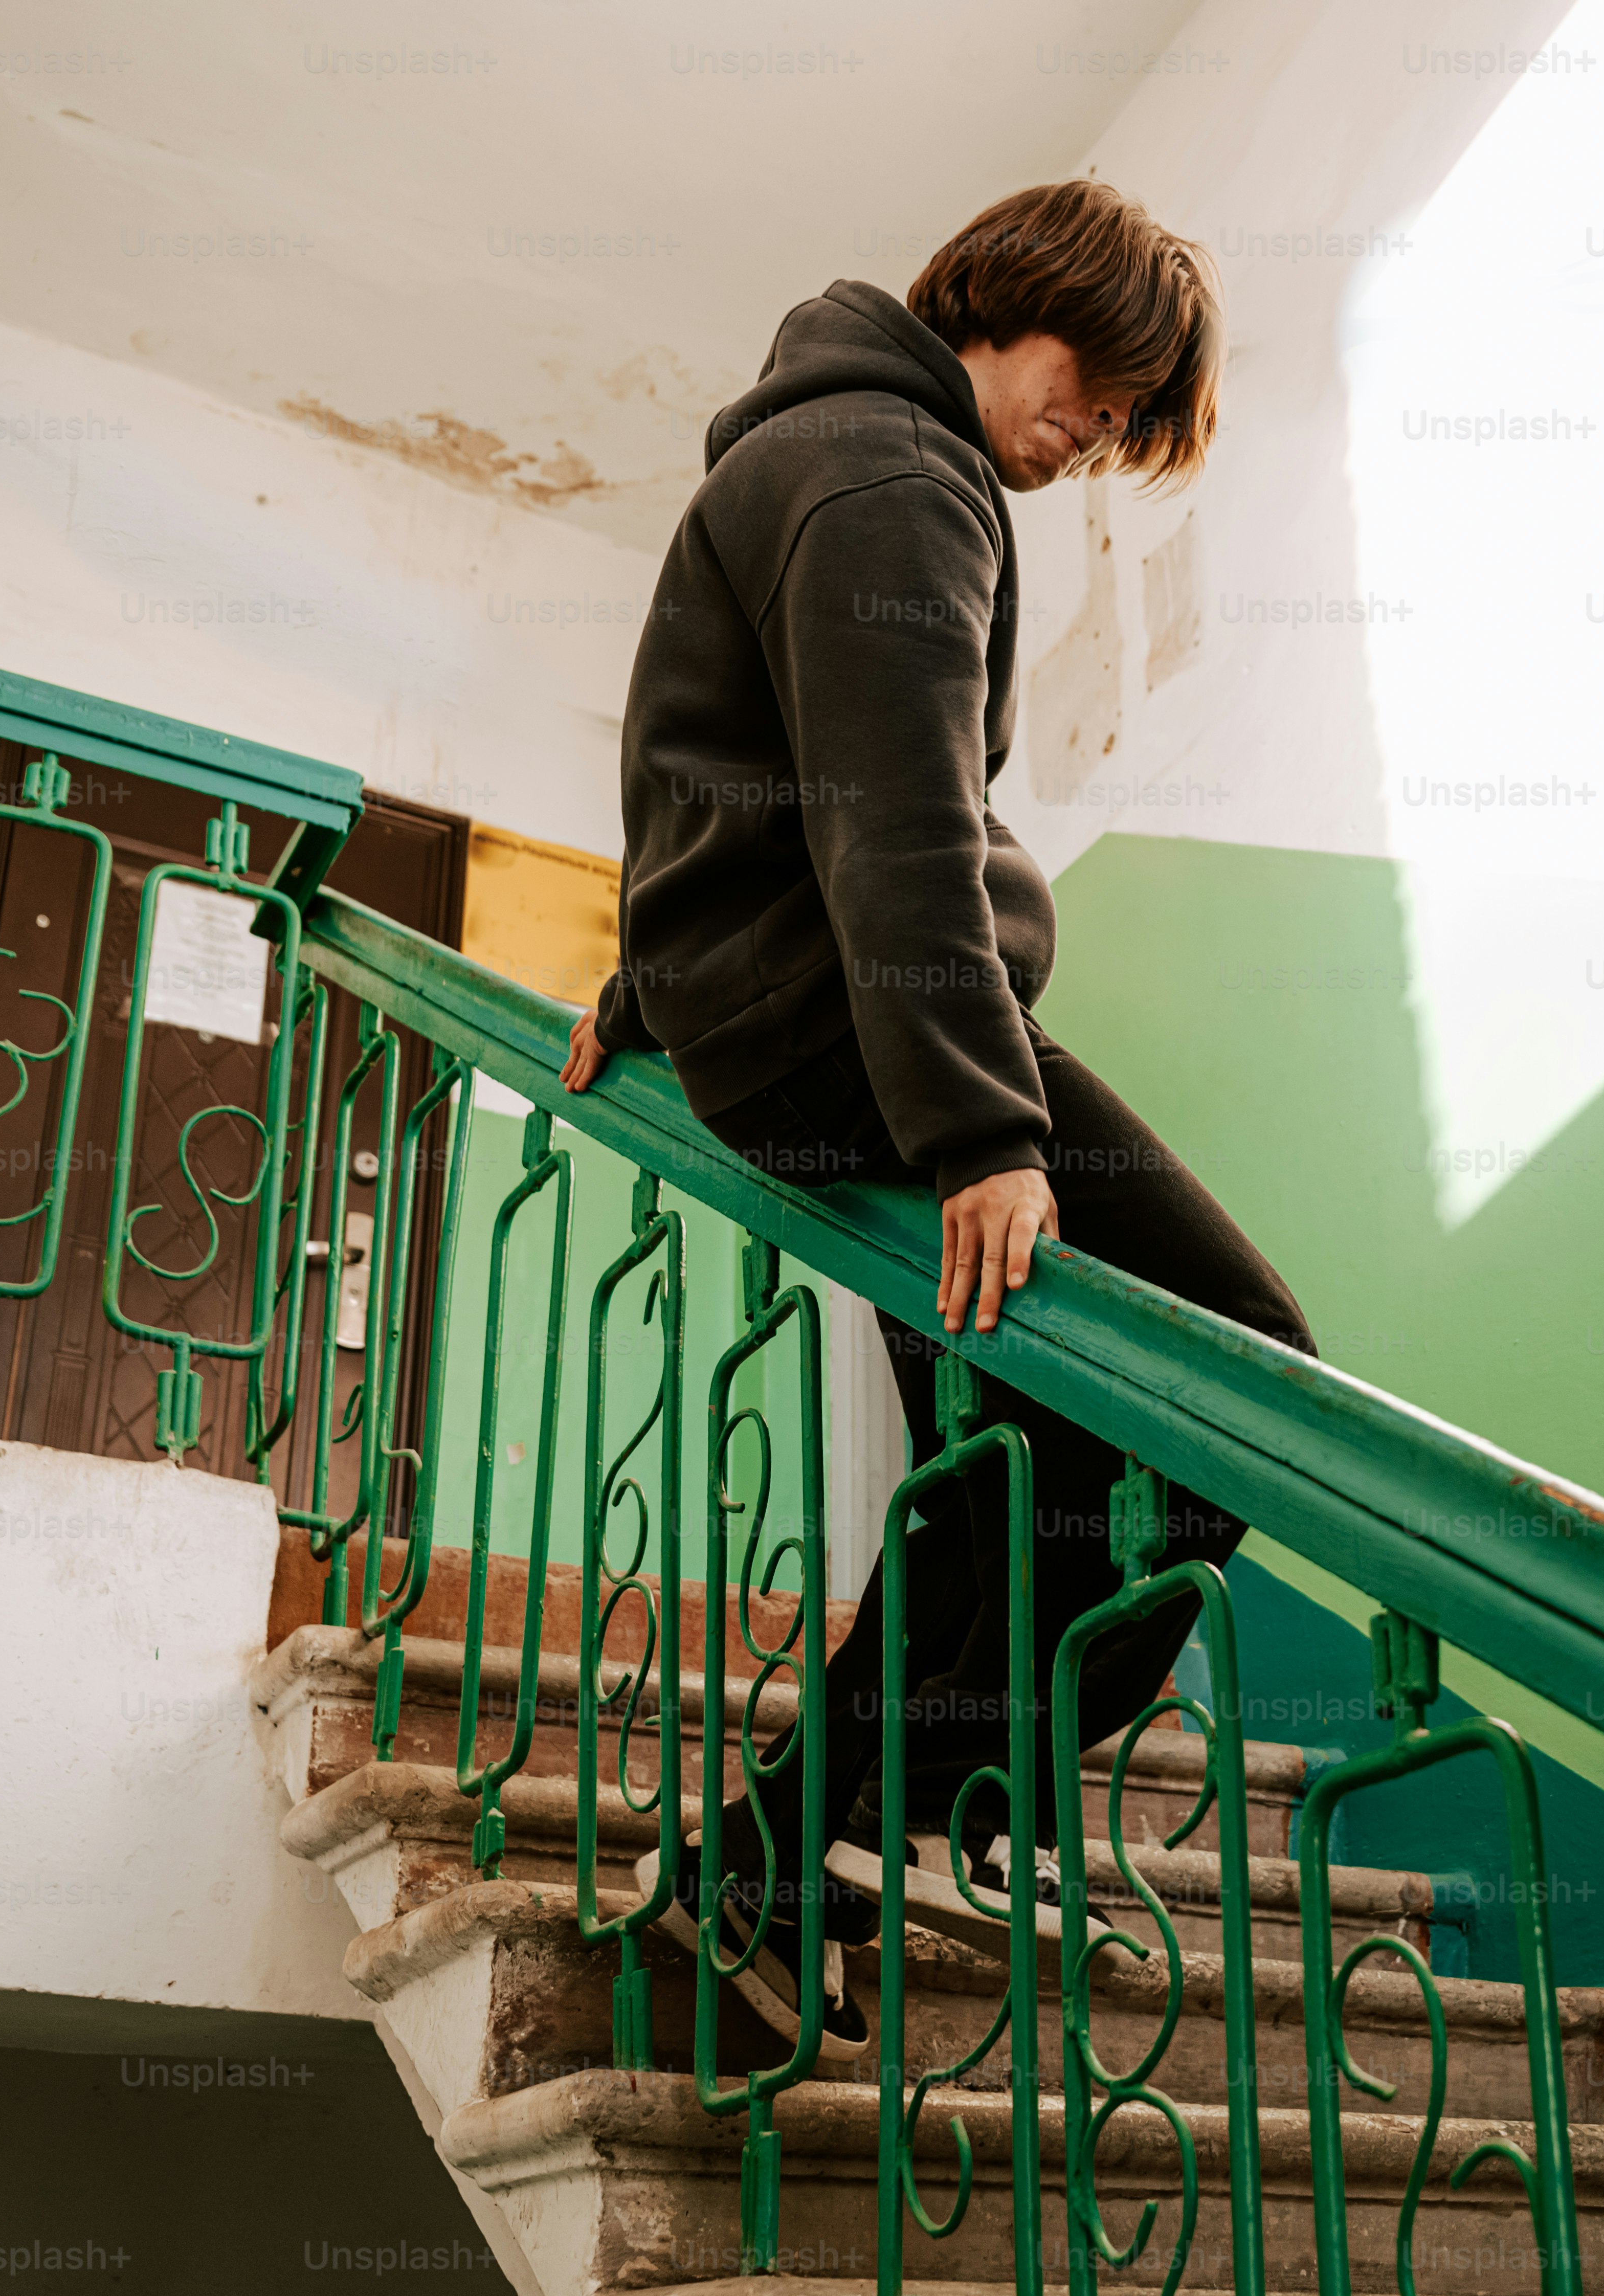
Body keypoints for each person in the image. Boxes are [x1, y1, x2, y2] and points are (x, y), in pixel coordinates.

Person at [559, 180, 1312, 2064]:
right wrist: (988, 1131)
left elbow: (718, 775)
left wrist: (657, 988)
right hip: (874, 1044)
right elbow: (891, 823)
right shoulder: (898, 479)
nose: (1096, 439)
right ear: (1012, 298)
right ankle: (934, 1804)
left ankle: (793, 1855)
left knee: (999, 1474)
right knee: (1242, 1375)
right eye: (1101, 384)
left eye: (1133, 425)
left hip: (806, 1036)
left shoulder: (821, 453)